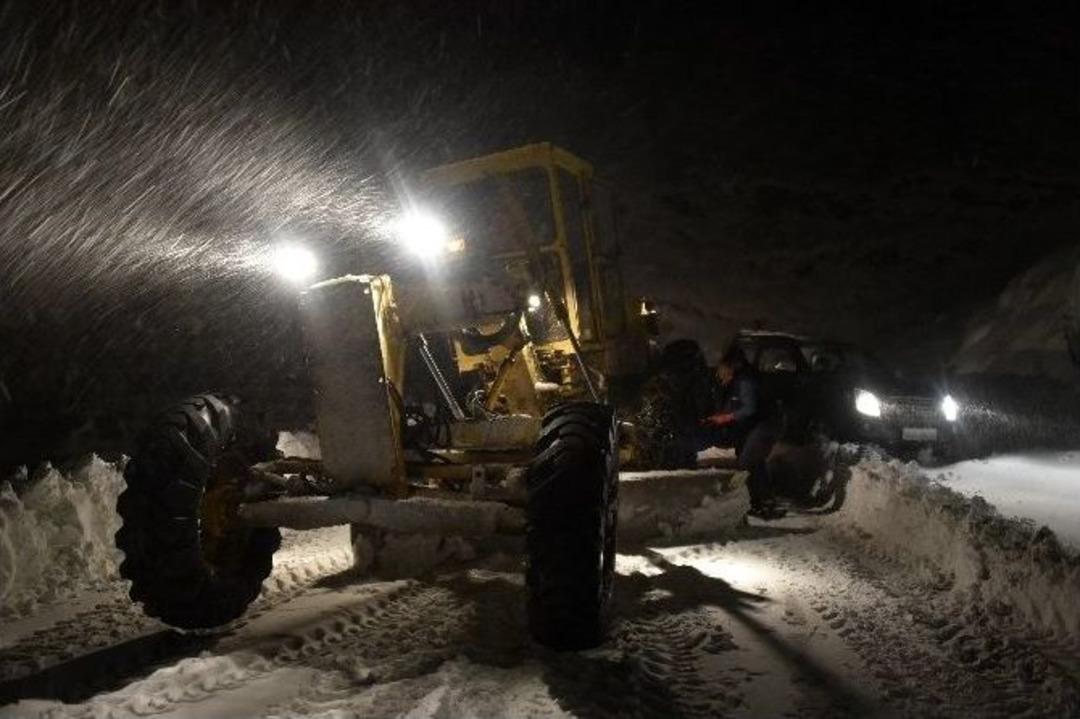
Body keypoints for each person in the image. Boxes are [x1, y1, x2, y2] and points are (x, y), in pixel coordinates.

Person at [702, 346, 786, 519]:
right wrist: (720, 415)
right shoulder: (738, 379)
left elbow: (749, 408)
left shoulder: (746, 380)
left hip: (766, 425)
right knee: (754, 461)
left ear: (733, 365)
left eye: (723, 367)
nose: (720, 372)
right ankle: (760, 502)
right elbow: (734, 404)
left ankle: (761, 503)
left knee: (747, 461)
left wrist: (725, 418)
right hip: (759, 425)